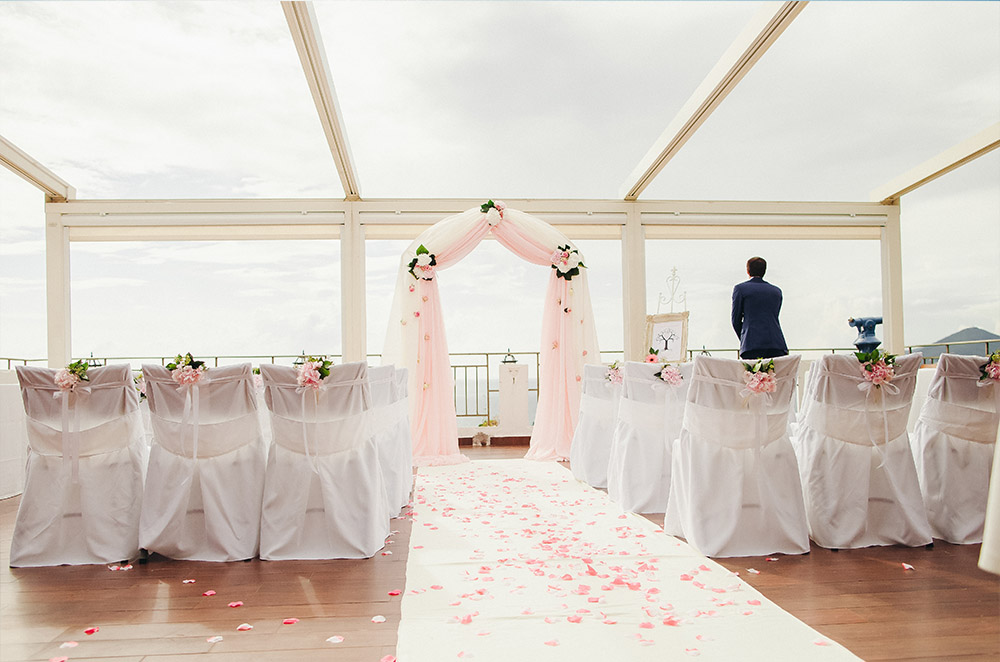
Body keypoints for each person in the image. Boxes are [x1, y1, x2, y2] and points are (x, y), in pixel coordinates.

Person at [731, 257, 788, 360]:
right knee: (775, 375)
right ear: (764, 271)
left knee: (753, 376)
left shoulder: (740, 289)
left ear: (748, 271)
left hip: (751, 345)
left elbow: (736, 320)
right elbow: (774, 316)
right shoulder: (776, 291)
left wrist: (745, 338)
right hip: (776, 343)